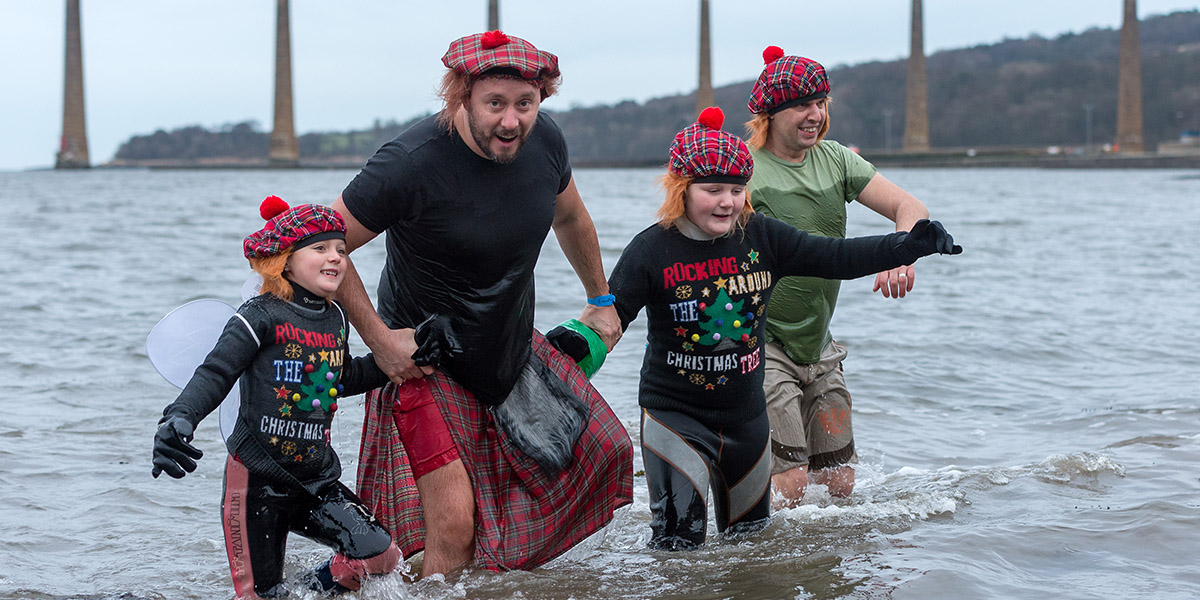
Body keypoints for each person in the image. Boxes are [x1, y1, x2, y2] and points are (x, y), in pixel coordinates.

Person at [329, 30, 633, 576]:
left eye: (526, 103)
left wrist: (601, 300)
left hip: (509, 347)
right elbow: (322, 246)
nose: (511, 121)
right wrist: (379, 339)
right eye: (495, 104)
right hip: (425, 360)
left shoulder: (546, 144)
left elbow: (570, 218)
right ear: (460, 97)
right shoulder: (410, 161)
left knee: (605, 453)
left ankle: (468, 581)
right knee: (452, 527)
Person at [606, 107, 960, 549]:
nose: (726, 202)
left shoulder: (762, 237)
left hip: (747, 420)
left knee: (752, 549)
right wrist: (569, 352)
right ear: (681, 188)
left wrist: (906, 245)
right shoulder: (650, 249)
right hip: (676, 418)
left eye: (736, 190)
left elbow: (836, 257)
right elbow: (609, 319)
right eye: (711, 189)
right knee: (678, 548)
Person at [151, 196, 400, 598]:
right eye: (319, 248)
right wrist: (178, 418)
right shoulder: (259, 315)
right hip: (256, 483)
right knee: (261, 596)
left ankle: (307, 592)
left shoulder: (335, 316)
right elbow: (216, 372)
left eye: (340, 249)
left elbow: (340, 375)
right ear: (283, 258)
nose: (335, 257)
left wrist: (407, 356)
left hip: (315, 479)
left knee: (380, 556)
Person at [744, 46, 941, 507]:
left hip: (819, 345)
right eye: (801, 106)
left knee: (840, 486)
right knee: (790, 484)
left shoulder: (837, 160)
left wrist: (900, 251)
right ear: (770, 113)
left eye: (821, 103)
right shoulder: (746, 171)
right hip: (762, 342)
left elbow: (910, 208)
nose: (815, 115)